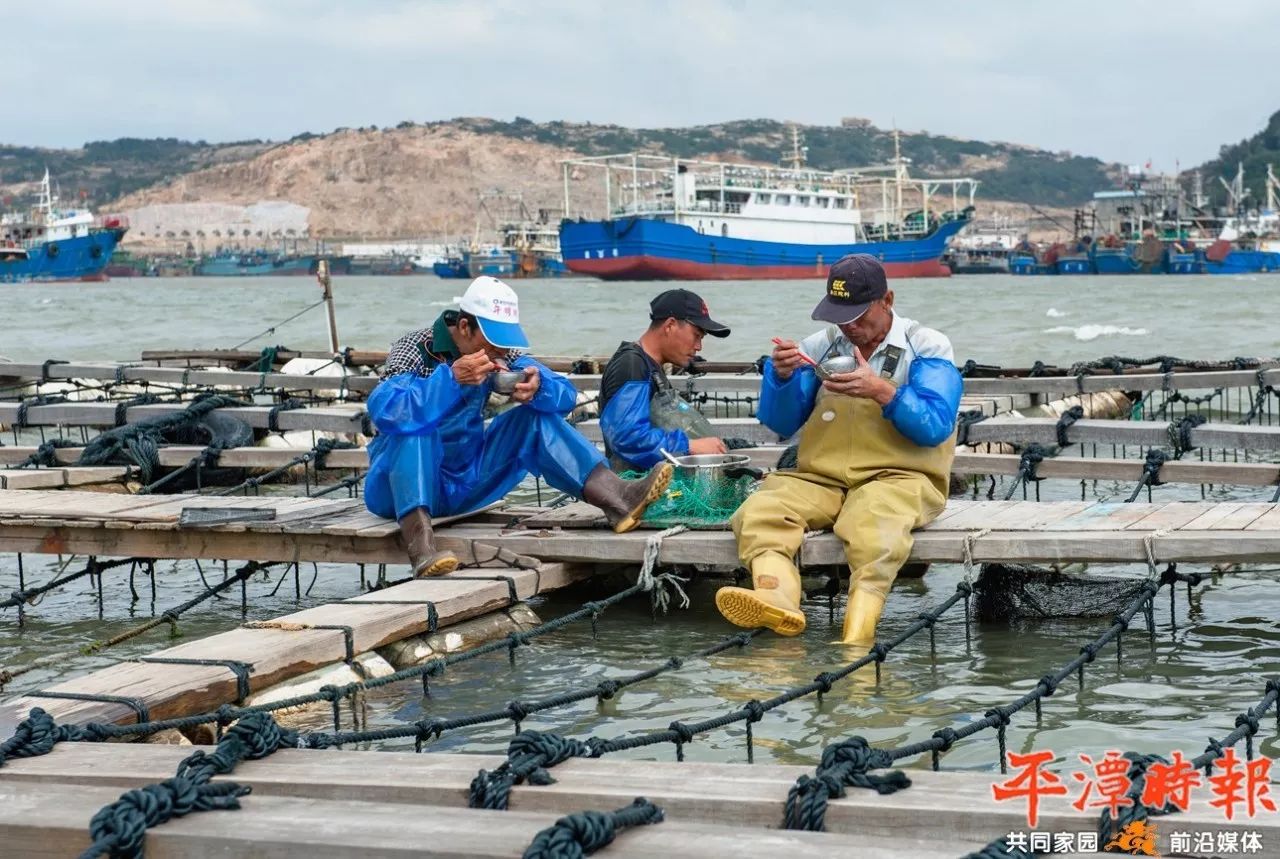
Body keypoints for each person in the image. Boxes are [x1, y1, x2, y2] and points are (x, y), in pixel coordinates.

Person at [717, 254, 962, 644]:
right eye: (841, 317)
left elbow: (934, 427)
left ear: (888, 300)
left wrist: (882, 391)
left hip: (900, 477)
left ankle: (857, 636)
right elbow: (781, 423)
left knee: (873, 526)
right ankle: (776, 598)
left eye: (861, 316)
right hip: (821, 477)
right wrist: (780, 377)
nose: (851, 328)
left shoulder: (927, 346)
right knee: (760, 510)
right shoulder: (822, 346)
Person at [364, 276, 672, 575]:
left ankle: (620, 499)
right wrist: (451, 378)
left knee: (531, 419)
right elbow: (386, 410)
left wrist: (539, 388)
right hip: (395, 491)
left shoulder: (503, 354)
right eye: (494, 340)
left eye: (505, 341)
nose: (501, 351)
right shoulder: (415, 348)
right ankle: (422, 550)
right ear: (463, 327)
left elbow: (565, 395)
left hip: (463, 485)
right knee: (414, 428)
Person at [598, 289, 733, 471]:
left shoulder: (651, 366)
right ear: (670, 325)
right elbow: (627, 439)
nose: (699, 346)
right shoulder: (631, 365)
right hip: (632, 492)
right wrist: (691, 446)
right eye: (697, 335)